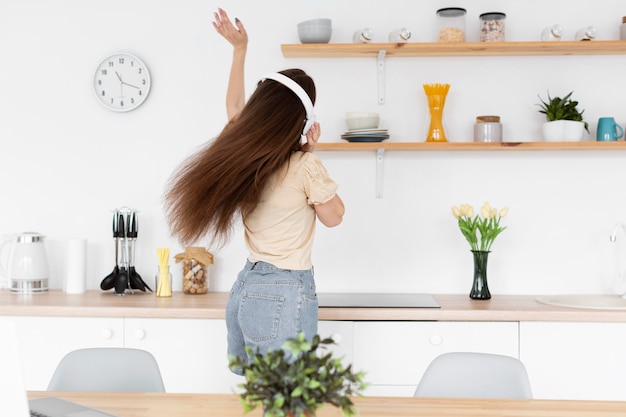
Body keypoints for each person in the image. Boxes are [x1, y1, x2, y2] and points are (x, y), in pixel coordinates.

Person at [164, 8, 345, 374]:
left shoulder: (246, 159)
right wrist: (310, 156)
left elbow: (233, 110)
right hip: (284, 291)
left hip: (247, 289)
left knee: (269, 397)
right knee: (289, 400)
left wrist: (239, 49)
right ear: (302, 121)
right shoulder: (305, 166)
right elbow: (335, 216)